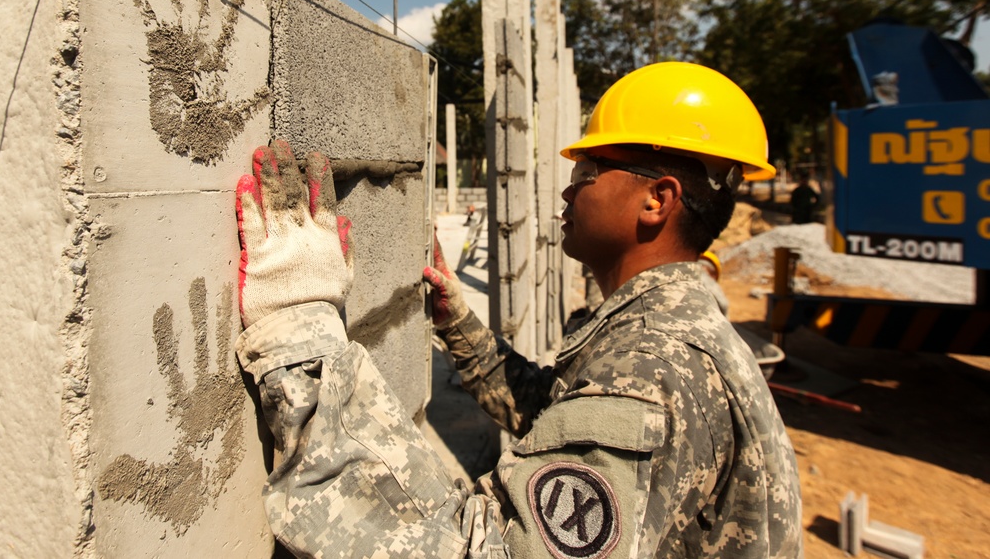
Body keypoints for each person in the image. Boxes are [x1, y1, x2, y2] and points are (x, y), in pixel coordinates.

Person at [233, 62, 803, 558]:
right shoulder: (664, 324)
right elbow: (554, 412)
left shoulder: (655, 364)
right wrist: (455, 321)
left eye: (589, 171)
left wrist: (299, 319)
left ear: (658, 199)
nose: (568, 191)